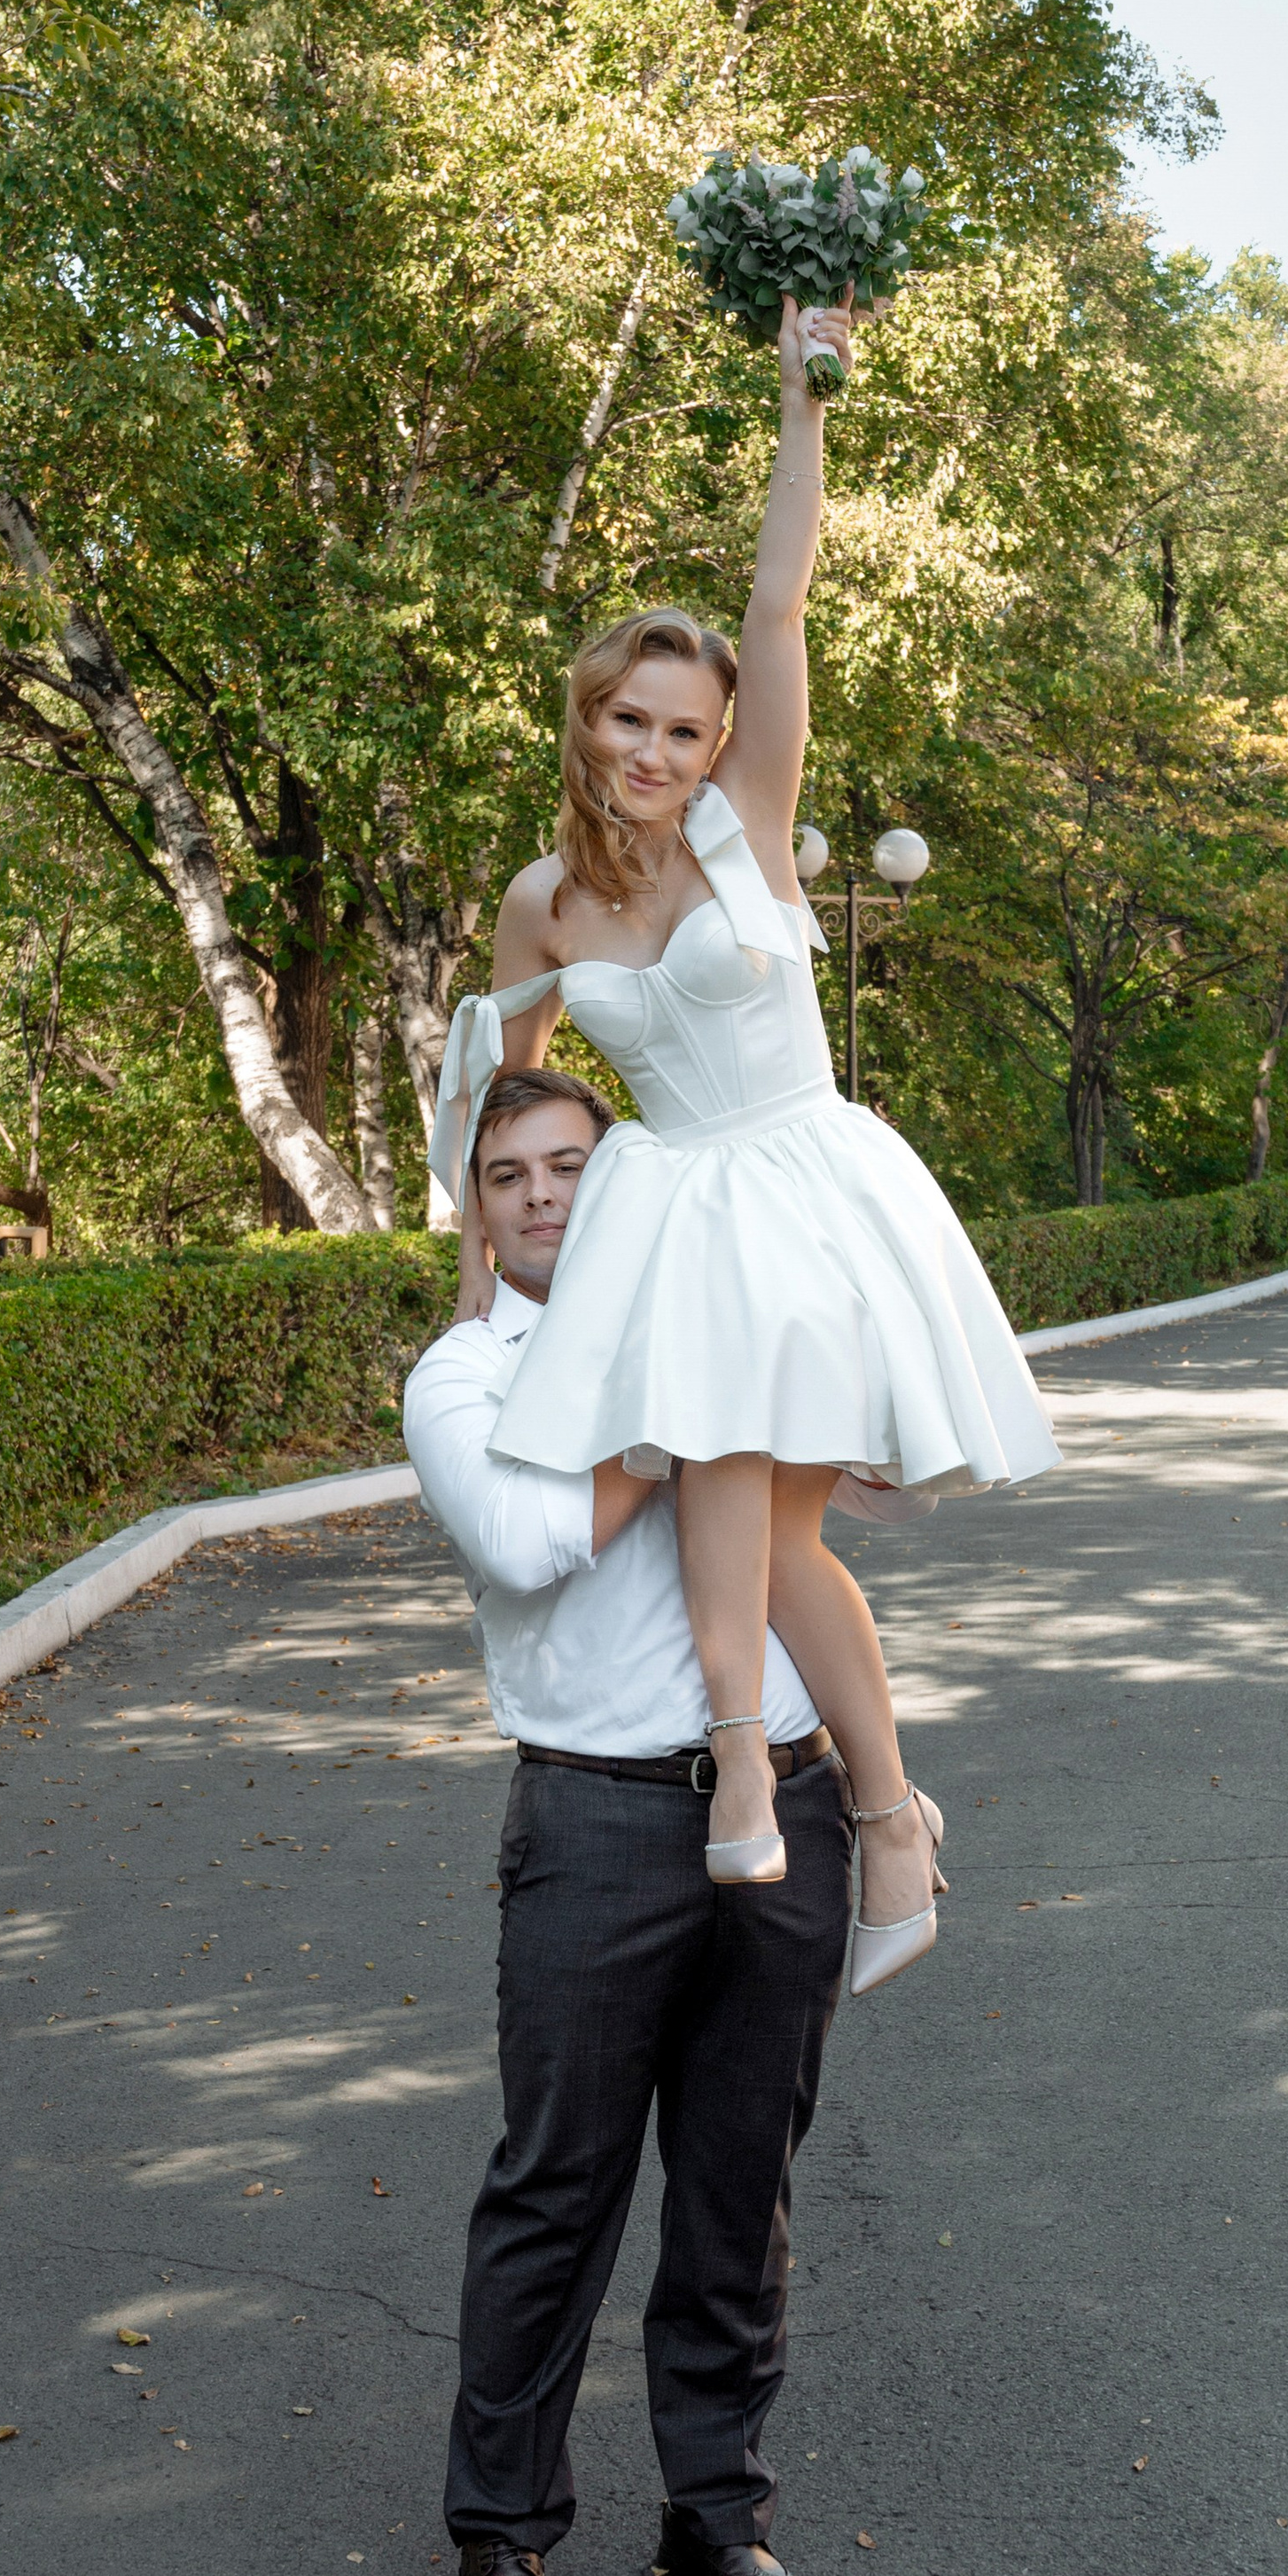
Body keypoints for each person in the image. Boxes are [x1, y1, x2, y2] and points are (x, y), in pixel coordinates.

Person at [430, 295, 1055, 1986]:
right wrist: (489, 1276)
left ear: (718, 744)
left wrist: (804, 403)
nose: (654, 752)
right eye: (628, 720)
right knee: (750, 1508)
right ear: (586, 719)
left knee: (764, 1516)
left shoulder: (747, 828)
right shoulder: (543, 901)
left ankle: (854, 1804)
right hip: (679, 1202)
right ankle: (813, 1792)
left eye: (683, 729)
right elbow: (506, 1093)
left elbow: (779, 601)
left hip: (804, 1180)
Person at [405, 1064, 867, 2576]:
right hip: (594, 1823)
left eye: (570, 1165)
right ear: (479, 1213)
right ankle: (503, 2533)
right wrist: (686, 1418)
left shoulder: (730, 1328)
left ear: (625, 1186)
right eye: (509, 1175)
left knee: (743, 2182)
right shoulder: (465, 1376)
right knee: (558, 2189)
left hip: (785, 1806)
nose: (542, 1194)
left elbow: (842, 1509)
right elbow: (528, 1542)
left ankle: (717, 2509)